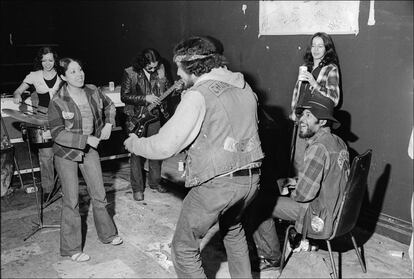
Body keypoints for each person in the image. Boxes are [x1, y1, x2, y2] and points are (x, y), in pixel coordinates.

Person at [124, 36, 264, 278]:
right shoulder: (243, 86)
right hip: (251, 180)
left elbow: (165, 146)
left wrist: (136, 144)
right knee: (233, 230)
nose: (177, 73)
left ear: (191, 66)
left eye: (179, 67)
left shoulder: (198, 94)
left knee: (183, 249)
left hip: (218, 184)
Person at [252, 94, 350, 271]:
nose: (301, 120)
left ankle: (271, 257)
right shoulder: (339, 143)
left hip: (319, 217)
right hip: (340, 215)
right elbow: (329, 179)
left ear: (322, 122)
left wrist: (293, 190)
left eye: (308, 116)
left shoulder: (318, 148)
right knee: (279, 188)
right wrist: (295, 181)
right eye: (302, 114)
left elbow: (304, 195)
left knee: (257, 203)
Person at [48, 57, 123, 262]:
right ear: (63, 76)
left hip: (90, 150)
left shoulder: (92, 90)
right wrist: (86, 138)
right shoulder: (58, 100)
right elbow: (57, 133)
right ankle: (72, 249)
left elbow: (110, 106)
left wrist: (108, 123)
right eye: (72, 72)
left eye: (80, 69)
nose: (79, 74)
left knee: (99, 193)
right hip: (66, 154)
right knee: (71, 201)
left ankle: (107, 235)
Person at [120, 48, 171, 201]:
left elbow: (168, 93)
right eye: (150, 67)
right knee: (136, 153)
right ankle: (137, 188)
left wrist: (163, 80)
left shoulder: (159, 72)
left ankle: (155, 183)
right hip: (136, 117)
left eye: (156, 66)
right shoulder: (130, 73)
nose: (153, 69)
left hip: (154, 117)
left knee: (155, 150)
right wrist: (145, 98)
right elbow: (124, 96)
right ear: (143, 62)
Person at [13, 46, 62, 200]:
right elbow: (18, 91)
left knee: (63, 153)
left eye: (50, 60)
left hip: (62, 117)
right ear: (40, 61)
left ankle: (65, 186)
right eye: (44, 60)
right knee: (46, 155)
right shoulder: (34, 75)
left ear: (55, 60)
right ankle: (48, 189)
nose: (47, 63)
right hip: (43, 116)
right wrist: (17, 95)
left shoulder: (62, 74)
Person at [290, 32, 341, 175]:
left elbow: (334, 98)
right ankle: (300, 194)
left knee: (314, 163)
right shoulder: (306, 68)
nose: (316, 49)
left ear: (327, 49)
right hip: (302, 119)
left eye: (320, 46)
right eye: (313, 45)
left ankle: (313, 196)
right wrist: (294, 113)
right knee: (299, 160)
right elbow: (298, 93)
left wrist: (315, 83)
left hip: (317, 122)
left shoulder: (331, 69)